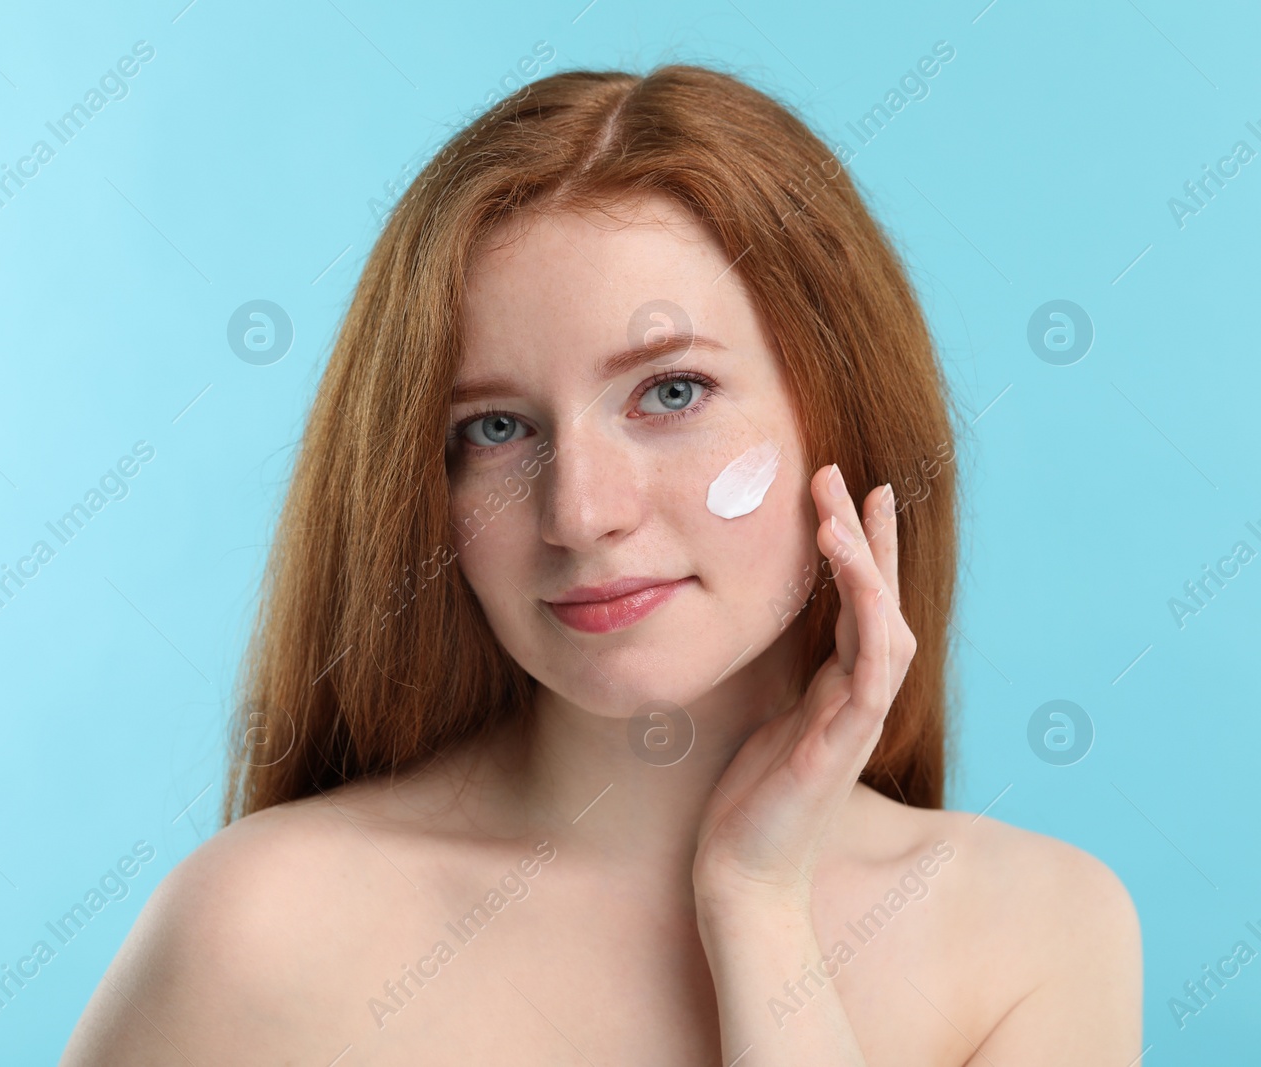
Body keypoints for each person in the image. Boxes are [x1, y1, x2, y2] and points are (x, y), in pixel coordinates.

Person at [60, 63, 1141, 1065]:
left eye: (670, 392)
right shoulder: (260, 926)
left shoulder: (1036, 929)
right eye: (493, 430)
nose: (579, 512)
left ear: (840, 415)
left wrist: (757, 904)